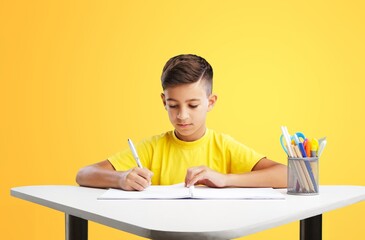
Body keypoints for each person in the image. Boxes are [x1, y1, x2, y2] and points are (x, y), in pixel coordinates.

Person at [76, 54, 287, 191]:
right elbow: (84, 174)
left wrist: (225, 179)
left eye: (193, 105)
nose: (182, 116)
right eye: (173, 105)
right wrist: (121, 178)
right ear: (163, 101)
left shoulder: (224, 146)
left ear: (210, 102)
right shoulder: (152, 148)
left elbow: (286, 175)